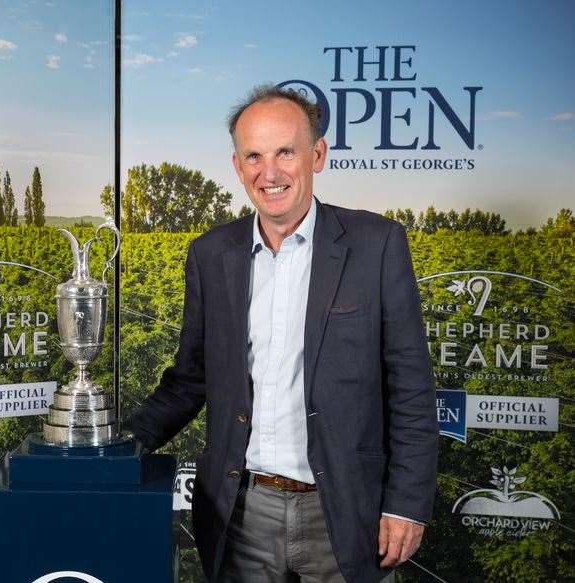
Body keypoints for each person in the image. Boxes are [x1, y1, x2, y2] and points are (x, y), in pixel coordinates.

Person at [125, 85, 437, 583]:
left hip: (345, 513)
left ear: (317, 155)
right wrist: (117, 444)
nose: (269, 173)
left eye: (284, 152)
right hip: (241, 512)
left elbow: (412, 389)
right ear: (237, 165)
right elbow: (191, 378)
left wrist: (407, 504)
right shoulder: (210, 254)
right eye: (254, 155)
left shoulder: (375, 245)